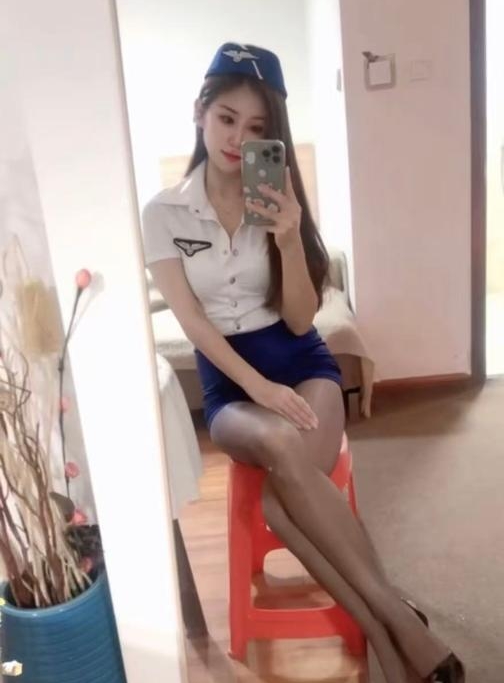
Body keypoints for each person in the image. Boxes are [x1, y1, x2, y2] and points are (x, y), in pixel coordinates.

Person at [142, 42, 464, 683]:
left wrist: (289, 238)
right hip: (232, 385)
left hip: (303, 362)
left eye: (256, 127)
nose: (237, 139)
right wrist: (259, 387)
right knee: (282, 447)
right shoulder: (163, 213)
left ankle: (386, 635)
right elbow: (194, 324)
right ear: (200, 113)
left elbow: (298, 320)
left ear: (273, 137)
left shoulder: (277, 200)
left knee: (281, 506)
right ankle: (396, 622)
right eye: (226, 118)